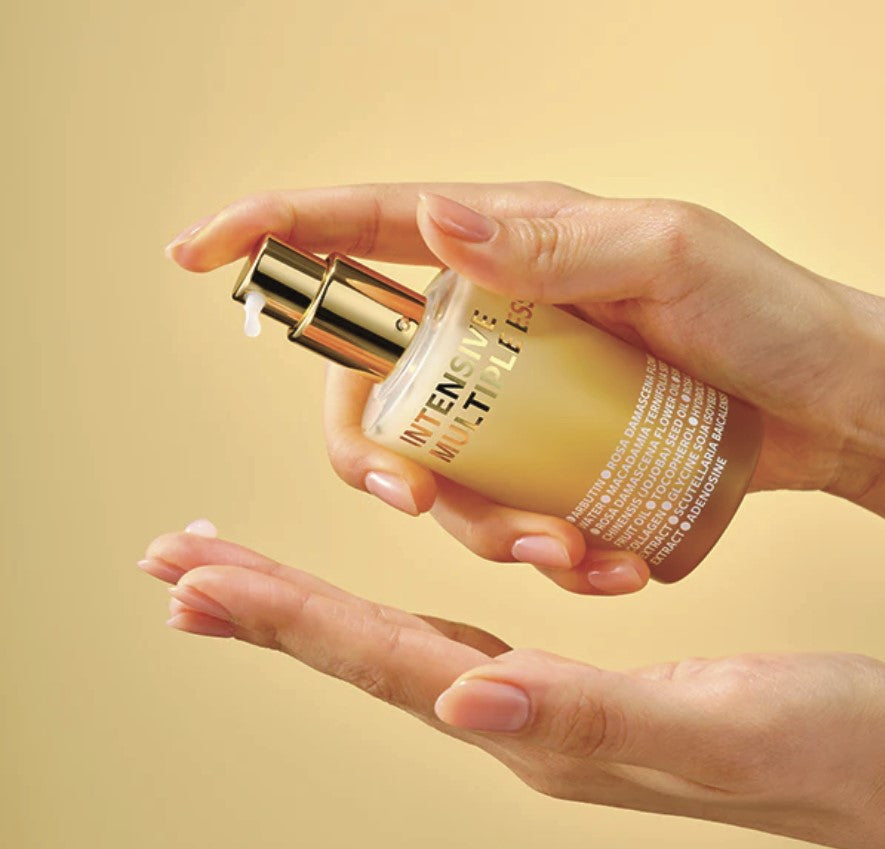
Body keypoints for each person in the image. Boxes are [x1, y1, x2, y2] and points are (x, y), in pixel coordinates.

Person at [142, 182, 884, 847]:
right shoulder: (389, 417)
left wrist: (859, 394)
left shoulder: (468, 294)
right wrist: (857, 433)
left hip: (713, 421)